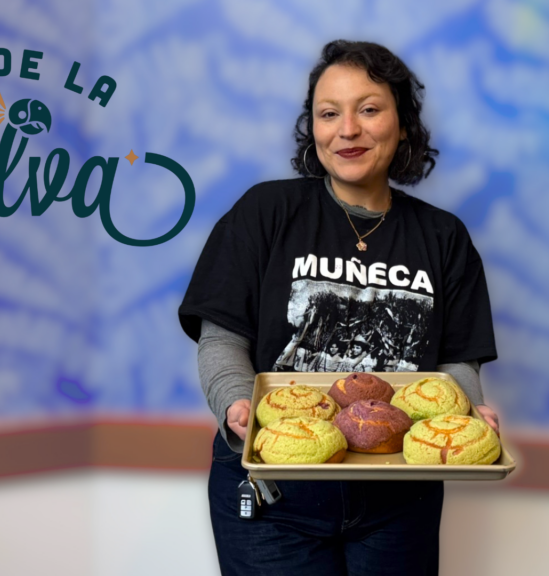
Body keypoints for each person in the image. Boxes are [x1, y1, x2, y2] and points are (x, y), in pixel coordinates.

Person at [179, 40, 499, 576]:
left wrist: (463, 410)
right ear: (314, 128)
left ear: (403, 123)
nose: (347, 130)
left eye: (368, 109)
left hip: (400, 496)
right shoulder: (266, 211)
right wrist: (236, 403)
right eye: (329, 114)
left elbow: (456, 361)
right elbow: (222, 337)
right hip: (275, 493)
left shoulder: (444, 237)